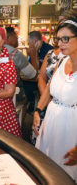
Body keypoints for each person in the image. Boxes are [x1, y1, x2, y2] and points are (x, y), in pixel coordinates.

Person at [33, 14, 77, 181]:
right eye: (58, 39)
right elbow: (49, 89)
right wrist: (38, 110)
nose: (60, 44)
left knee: (66, 175)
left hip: (72, 128)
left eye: (66, 39)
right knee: (47, 171)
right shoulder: (60, 61)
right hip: (51, 122)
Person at [22, 31, 54, 113]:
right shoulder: (33, 50)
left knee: (27, 83)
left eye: (29, 43)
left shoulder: (49, 51)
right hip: (36, 79)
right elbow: (31, 69)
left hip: (46, 81)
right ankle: (30, 104)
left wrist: (34, 55)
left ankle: (32, 104)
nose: (28, 44)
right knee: (22, 81)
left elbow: (40, 73)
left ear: (35, 42)